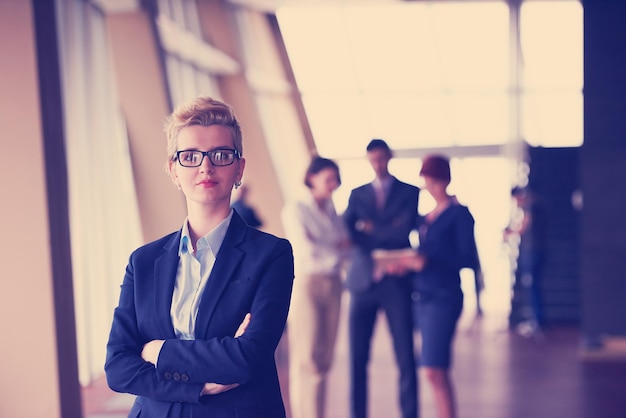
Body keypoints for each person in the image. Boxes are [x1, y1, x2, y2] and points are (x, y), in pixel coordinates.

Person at [104, 96, 295, 418]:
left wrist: (156, 349)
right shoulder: (144, 261)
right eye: (190, 156)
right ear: (173, 170)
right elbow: (118, 367)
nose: (206, 167)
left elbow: (248, 357)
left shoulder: (271, 255)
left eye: (220, 155)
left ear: (239, 168)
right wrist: (199, 386)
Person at [394, 154, 478, 418]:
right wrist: (408, 262)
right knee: (432, 369)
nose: (429, 186)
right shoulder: (425, 218)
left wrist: (427, 261)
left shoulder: (459, 215)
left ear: (443, 180)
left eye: (432, 180)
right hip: (422, 297)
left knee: (434, 368)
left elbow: (467, 257)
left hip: (443, 297)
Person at [343, 139, 420, 418]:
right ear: (368, 160)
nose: (378, 165)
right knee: (357, 359)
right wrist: (387, 228)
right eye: (373, 159)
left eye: (382, 159)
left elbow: (404, 230)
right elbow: (348, 233)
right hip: (362, 283)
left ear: (389, 157)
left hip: (396, 283)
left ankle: (410, 414)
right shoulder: (357, 194)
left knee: (405, 356)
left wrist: (369, 228)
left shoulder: (410, 192)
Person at [282, 156, 351, 418]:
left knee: (324, 361)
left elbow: (347, 248)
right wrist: (335, 249)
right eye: (329, 179)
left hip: (334, 285)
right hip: (308, 285)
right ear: (312, 177)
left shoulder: (332, 211)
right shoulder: (296, 210)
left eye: (336, 180)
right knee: (307, 360)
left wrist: (331, 248)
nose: (334, 184)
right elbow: (307, 251)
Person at [504, 185, 548, 332]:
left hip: (532, 251)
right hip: (536, 250)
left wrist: (510, 232)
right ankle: (537, 320)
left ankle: (537, 321)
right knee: (533, 286)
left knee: (531, 285)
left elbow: (524, 225)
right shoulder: (536, 204)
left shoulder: (530, 205)